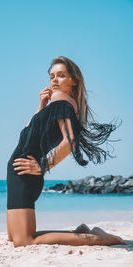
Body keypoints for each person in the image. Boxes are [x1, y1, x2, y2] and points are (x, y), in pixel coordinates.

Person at [7, 56, 125, 247]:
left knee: (24, 241)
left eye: (61, 75)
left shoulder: (61, 99)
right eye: (52, 76)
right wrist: (41, 106)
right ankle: (81, 232)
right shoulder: (54, 104)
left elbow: (69, 142)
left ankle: (95, 238)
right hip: (17, 173)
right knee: (14, 238)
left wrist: (43, 166)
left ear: (74, 80)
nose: (54, 80)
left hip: (26, 173)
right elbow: (28, 132)